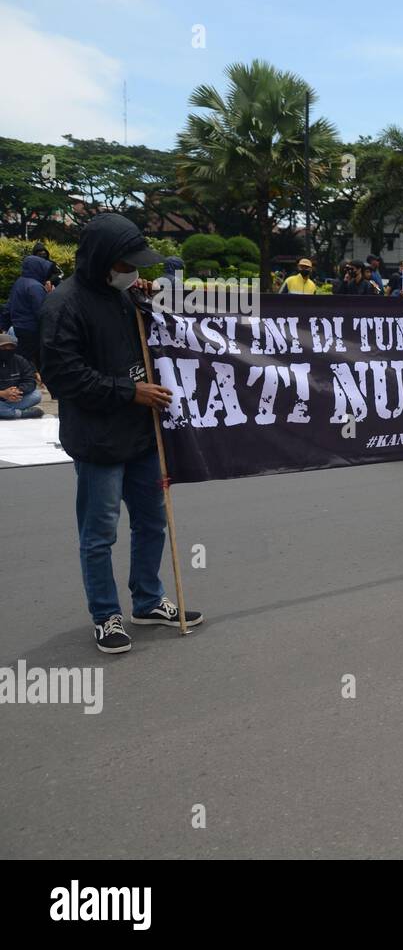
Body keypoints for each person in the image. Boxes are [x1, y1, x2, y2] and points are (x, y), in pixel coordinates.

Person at [39, 213, 205, 653]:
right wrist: (128, 391)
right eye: (127, 265)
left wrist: (146, 300)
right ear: (102, 261)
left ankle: (148, 601)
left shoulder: (127, 296)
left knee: (153, 521)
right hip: (98, 440)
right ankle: (106, 614)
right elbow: (64, 376)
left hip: (141, 434)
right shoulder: (64, 305)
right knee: (100, 533)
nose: (134, 272)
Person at [7, 253, 57, 371]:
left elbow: (9, 306)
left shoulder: (20, 281)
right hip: (32, 330)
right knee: (35, 360)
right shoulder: (35, 286)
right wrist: (51, 295)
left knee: (24, 358)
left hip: (19, 327)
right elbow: (42, 311)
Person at [0, 332, 43, 419]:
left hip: (15, 397)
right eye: (3, 347)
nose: (7, 350)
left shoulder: (20, 360)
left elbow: (30, 381)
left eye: (10, 347)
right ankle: (21, 414)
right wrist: (3, 393)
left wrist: (18, 391)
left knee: (36, 395)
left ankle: (6, 411)